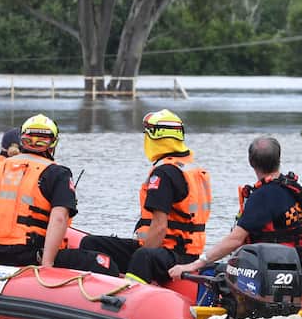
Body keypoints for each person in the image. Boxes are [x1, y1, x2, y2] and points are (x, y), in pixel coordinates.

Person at [0, 114, 117, 274]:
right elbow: (59, 219)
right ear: (53, 143)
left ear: (22, 140)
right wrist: (47, 265)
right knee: (104, 263)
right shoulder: (58, 173)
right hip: (30, 256)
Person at [169, 135, 302, 293]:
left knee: (208, 272)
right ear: (278, 159)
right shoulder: (296, 188)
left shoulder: (262, 196)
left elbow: (235, 239)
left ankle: (203, 315)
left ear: (251, 162)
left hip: (272, 281)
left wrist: (195, 264)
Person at [80, 109, 212, 284]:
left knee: (143, 256)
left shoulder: (164, 173)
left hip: (172, 255)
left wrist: (140, 261)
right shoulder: (191, 169)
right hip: (185, 252)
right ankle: (100, 287)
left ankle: (124, 294)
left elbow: (159, 227)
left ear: (155, 138)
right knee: (91, 244)